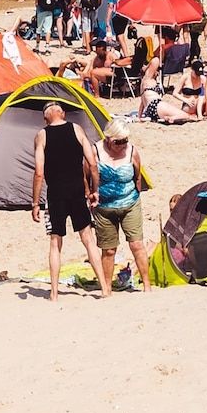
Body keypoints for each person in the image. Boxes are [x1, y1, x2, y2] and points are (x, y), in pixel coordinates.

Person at [29, 104, 98, 305]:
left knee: (55, 243)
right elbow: (92, 163)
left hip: (56, 194)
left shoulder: (42, 135)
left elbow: (39, 172)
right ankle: (104, 289)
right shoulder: (77, 129)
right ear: (64, 114)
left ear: (45, 119)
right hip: (77, 191)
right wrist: (95, 189)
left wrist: (35, 203)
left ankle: (54, 294)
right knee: (88, 239)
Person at [90, 121, 148, 293]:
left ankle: (147, 286)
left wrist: (136, 195)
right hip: (104, 208)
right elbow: (86, 175)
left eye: (125, 140)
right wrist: (90, 196)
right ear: (108, 139)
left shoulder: (131, 151)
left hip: (130, 203)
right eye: (119, 141)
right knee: (108, 250)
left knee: (137, 244)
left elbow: (138, 177)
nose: (123, 144)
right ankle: (106, 288)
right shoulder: (95, 152)